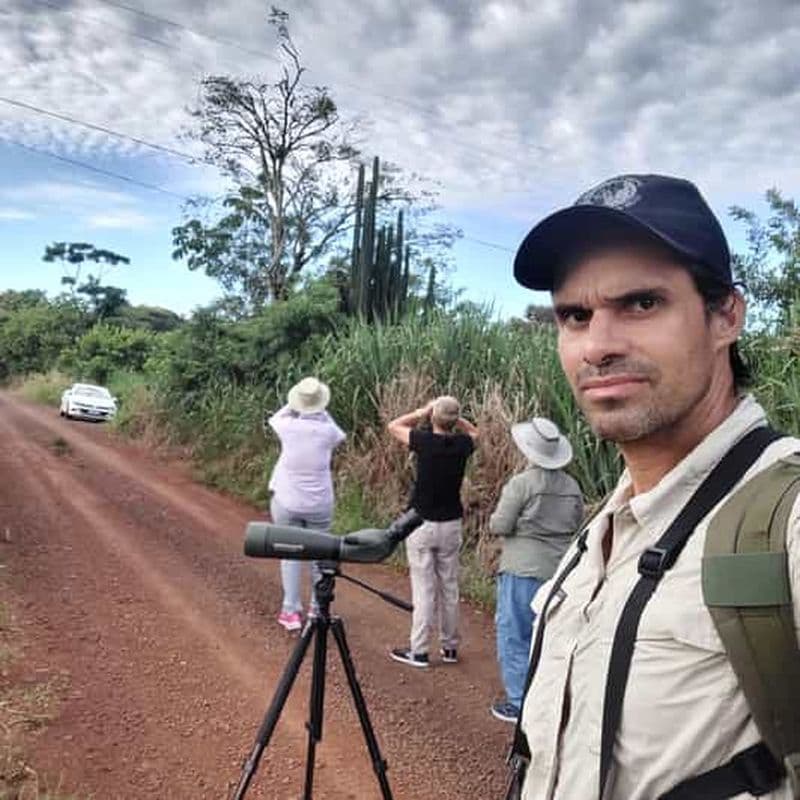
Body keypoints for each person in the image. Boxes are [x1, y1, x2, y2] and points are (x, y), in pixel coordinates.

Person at [510, 173, 800, 799]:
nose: (598, 346)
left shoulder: (787, 520)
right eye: (575, 315)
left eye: (641, 304)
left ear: (726, 315)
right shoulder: (603, 532)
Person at [488, 417, 583, 724]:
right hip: (558, 571)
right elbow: (577, 524)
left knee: (515, 634)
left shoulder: (522, 483)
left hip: (522, 567)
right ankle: (548, 699)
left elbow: (500, 525)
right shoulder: (572, 486)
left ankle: (518, 702)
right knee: (548, 636)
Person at [386, 396, 479, 667]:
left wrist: (423, 411)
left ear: (434, 419)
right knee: (449, 587)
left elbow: (394, 425)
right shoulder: (463, 445)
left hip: (422, 522)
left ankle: (420, 650)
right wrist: (453, 416)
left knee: (424, 589)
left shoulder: (424, 442)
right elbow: (475, 432)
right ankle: (449, 648)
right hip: (451, 524)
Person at [264, 376, 346, 631]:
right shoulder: (328, 431)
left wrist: (296, 405)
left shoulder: (287, 426)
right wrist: (320, 409)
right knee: (318, 555)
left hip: (287, 500)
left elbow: (274, 417)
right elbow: (339, 432)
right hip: (319, 503)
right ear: (321, 405)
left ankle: (290, 611)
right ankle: (316, 608)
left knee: (290, 556)